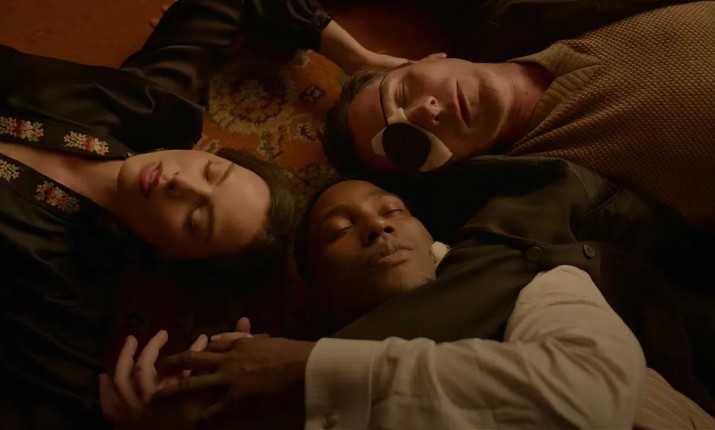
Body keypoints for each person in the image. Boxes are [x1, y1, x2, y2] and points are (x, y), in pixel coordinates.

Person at [0, 0, 413, 428]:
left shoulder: (62, 290)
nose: (182, 184)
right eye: (210, 172)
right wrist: (360, 59)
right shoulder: (155, 104)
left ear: (172, 254)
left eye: (196, 219)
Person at [103, 169, 714, 429]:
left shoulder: (519, 269)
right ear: (320, 296)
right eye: (339, 232)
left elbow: (588, 394)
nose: (378, 226)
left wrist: (302, 373)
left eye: (391, 210)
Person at [322, 1, 715, 229]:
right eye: (406, 143)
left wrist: (349, 52)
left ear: (428, 59)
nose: (426, 110)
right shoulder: (559, 199)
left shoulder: (521, 14)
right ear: (442, 169)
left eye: (403, 92)